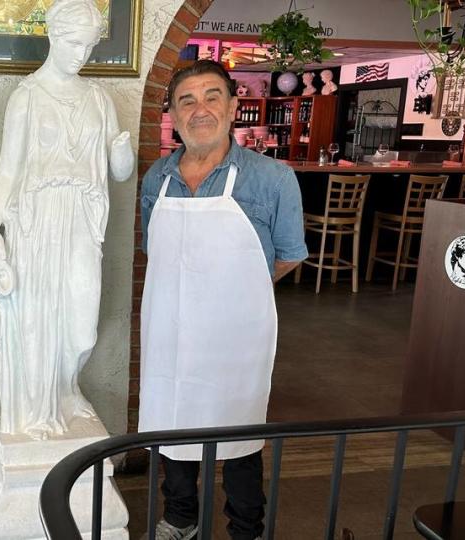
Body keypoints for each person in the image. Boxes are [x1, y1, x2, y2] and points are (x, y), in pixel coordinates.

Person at [138, 60, 308, 540]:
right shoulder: (158, 179)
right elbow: (156, 250)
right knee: (171, 426)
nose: (200, 109)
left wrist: (235, 292)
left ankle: (245, 529)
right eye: (186, 100)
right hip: (170, 329)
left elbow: (289, 255)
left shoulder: (272, 178)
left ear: (234, 106)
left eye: (212, 96)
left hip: (236, 334)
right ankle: (181, 518)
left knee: (238, 432)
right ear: (172, 112)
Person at [0, 0, 134, 439]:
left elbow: (119, 172)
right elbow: (7, 170)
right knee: (37, 319)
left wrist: (121, 153)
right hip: (37, 222)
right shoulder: (27, 96)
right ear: (52, 36)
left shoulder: (99, 99)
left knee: (81, 326)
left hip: (83, 220)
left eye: (88, 45)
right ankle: (39, 405)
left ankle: (66, 389)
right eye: (72, 42)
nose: (81, 54)